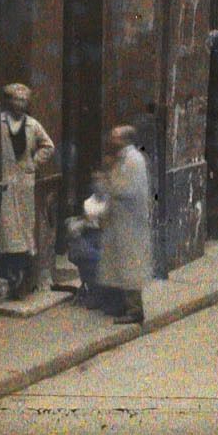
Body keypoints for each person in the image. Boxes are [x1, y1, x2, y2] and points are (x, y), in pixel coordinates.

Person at [84, 124, 154, 323]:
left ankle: (134, 311)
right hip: (120, 222)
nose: (111, 140)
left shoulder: (132, 161)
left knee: (130, 266)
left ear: (125, 140)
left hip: (130, 223)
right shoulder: (122, 159)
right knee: (120, 265)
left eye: (115, 137)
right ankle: (121, 305)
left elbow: (126, 189)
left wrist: (105, 181)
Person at [0, 82, 55, 299]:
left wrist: (33, 162)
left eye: (23, 101)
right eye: (15, 100)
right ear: (8, 101)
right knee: (6, 227)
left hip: (24, 182)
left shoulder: (32, 125)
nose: (19, 104)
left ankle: (22, 278)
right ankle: (7, 276)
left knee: (24, 228)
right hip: (4, 181)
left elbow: (48, 146)